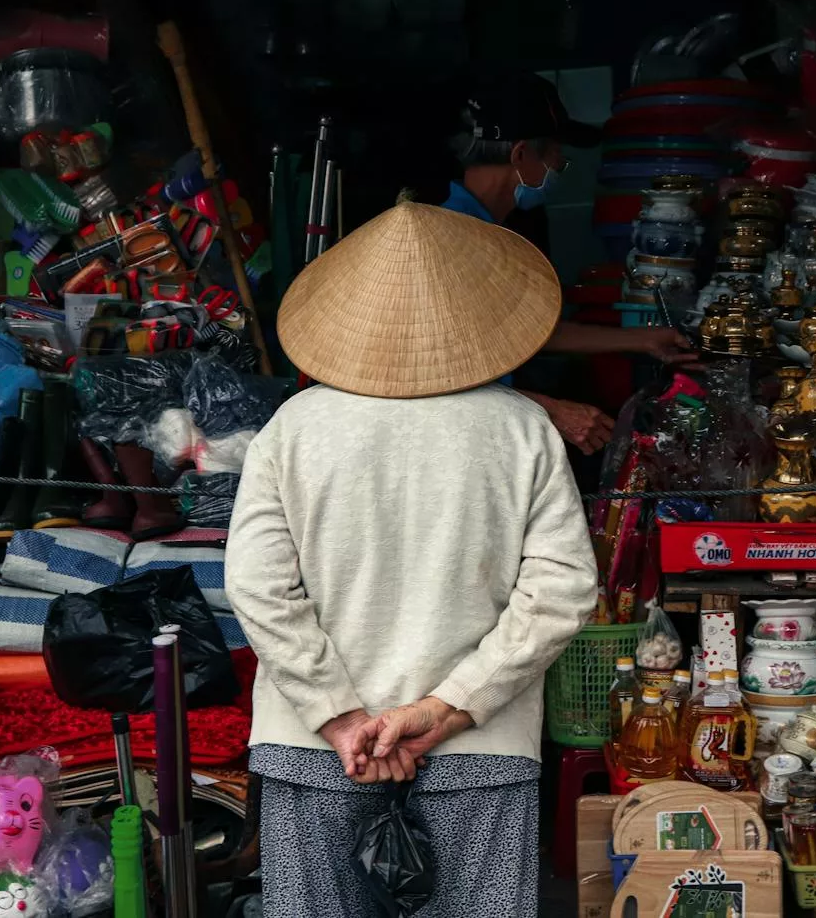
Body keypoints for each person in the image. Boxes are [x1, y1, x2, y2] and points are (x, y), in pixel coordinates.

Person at [225, 202, 598, 917]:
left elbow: (257, 587)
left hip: (316, 747)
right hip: (479, 750)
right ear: (475, 319)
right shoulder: (523, 429)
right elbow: (562, 590)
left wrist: (337, 717)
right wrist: (448, 707)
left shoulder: (292, 429)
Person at [440, 73, 697, 453]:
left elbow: (529, 331)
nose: (561, 163)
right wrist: (549, 411)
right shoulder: (449, 241)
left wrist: (643, 340)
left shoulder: (487, 232)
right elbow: (436, 379)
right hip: (460, 442)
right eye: (556, 152)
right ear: (521, 155)